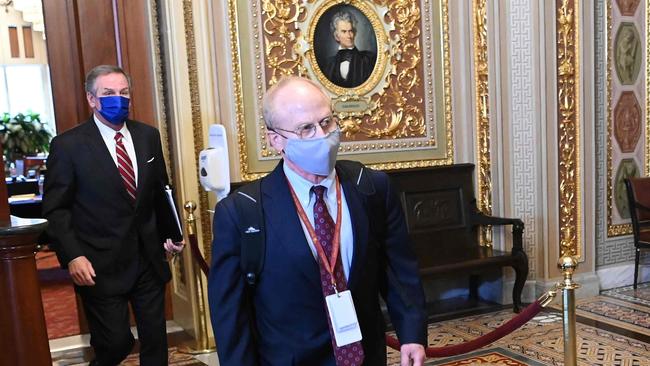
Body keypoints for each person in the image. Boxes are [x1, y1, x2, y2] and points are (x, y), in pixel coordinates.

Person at [208, 76, 427, 365]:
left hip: (365, 356)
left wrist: (412, 334)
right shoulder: (241, 213)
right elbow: (231, 316)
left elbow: (398, 268)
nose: (321, 135)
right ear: (277, 140)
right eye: (305, 128)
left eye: (326, 122)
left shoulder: (371, 188)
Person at [42, 65, 184, 366]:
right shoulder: (68, 146)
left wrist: (172, 234)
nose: (117, 99)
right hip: (99, 264)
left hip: (147, 259)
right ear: (92, 99)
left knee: (156, 344)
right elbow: (56, 209)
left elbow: (161, 190)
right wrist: (73, 257)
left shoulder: (148, 136)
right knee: (116, 344)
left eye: (123, 92)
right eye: (108, 94)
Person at [322, 10, 376, 88]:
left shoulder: (368, 59)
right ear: (336, 36)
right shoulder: (328, 64)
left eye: (350, 31)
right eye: (344, 32)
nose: (349, 36)